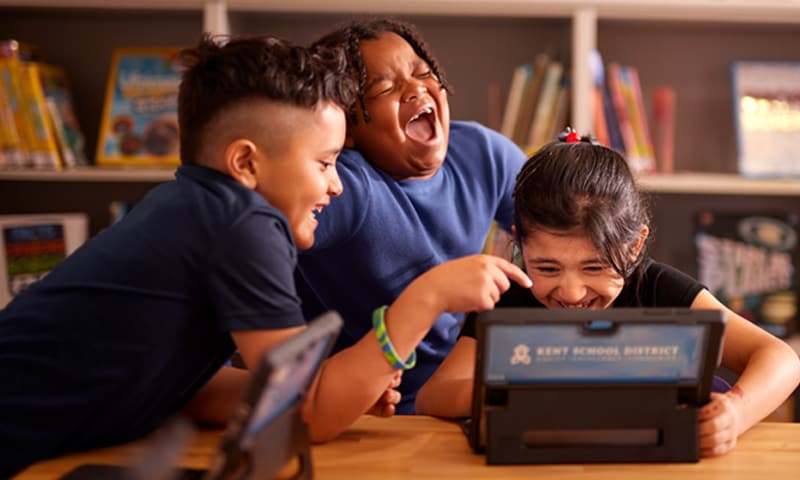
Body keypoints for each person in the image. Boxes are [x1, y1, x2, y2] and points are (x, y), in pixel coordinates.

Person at [0, 34, 531, 477]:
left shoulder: (194, 207)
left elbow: (192, 391)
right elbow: (307, 413)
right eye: (325, 163)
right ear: (247, 164)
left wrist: (344, 387)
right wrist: (429, 297)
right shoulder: (245, 225)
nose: (337, 186)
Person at [415, 131, 800, 458]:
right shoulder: (510, 295)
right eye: (547, 268)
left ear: (634, 247)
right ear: (518, 242)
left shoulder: (657, 288)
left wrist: (736, 411)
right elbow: (434, 396)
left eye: (595, 268)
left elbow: (783, 358)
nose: (571, 292)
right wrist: (542, 380)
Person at [296, 17, 528, 414]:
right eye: (385, 87)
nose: (416, 88)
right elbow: (249, 244)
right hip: (363, 409)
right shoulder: (345, 186)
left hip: (457, 397)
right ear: (345, 128)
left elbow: (562, 235)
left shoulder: (483, 153)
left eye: (424, 73)